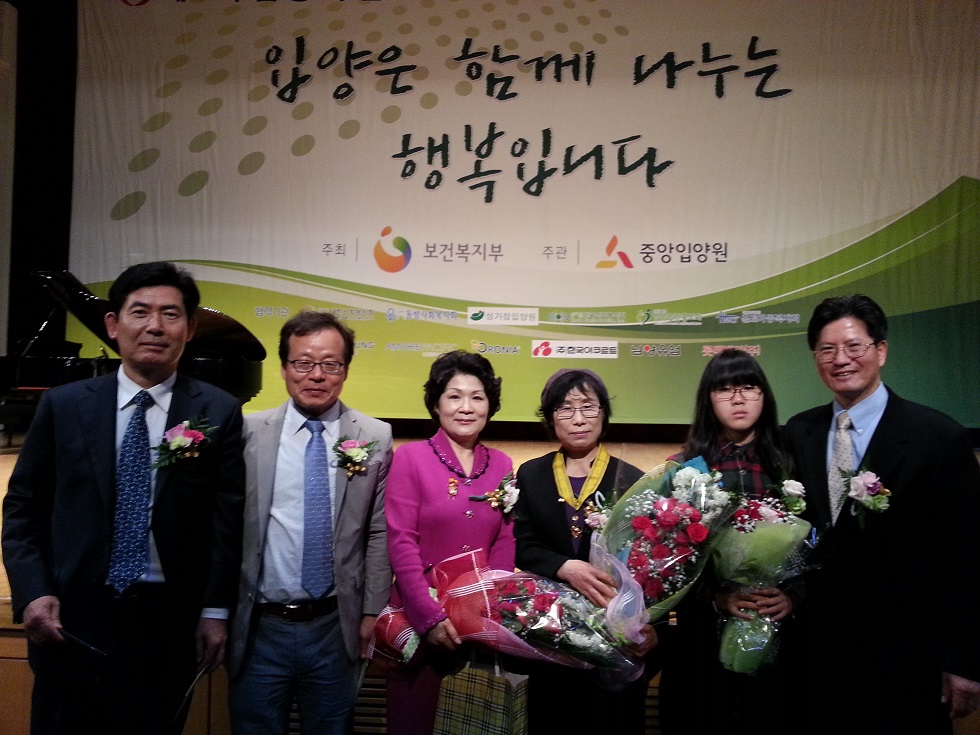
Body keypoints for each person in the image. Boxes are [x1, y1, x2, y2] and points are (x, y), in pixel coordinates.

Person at [1, 261, 246, 734]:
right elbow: (23, 508)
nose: (155, 326)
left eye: (171, 314)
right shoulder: (63, 405)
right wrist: (33, 591)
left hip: (168, 619)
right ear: (113, 324)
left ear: (190, 329)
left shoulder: (218, 411)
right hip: (72, 613)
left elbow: (226, 521)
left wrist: (215, 610)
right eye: (140, 312)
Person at [783, 294, 980, 734]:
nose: (841, 359)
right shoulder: (799, 432)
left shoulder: (938, 437)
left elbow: (966, 556)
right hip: (816, 653)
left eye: (854, 346)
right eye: (827, 349)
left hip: (906, 656)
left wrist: (964, 660)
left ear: (881, 350)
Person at [227, 310, 394, 735]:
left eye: (330, 364)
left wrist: (372, 612)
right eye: (303, 363)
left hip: (335, 626)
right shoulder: (248, 432)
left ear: (346, 370)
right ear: (284, 368)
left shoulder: (374, 435)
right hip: (260, 626)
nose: (316, 375)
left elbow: (377, 531)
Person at [657, 348, 799, 735]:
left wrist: (791, 595)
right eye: (724, 389)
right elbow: (667, 560)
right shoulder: (684, 469)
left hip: (777, 628)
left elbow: (818, 542)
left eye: (749, 387)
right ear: (708, 399)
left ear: (764, 394)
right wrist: (716, 596)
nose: (738, 398)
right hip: (701, 638)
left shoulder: (790, 462)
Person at [513, 368, 657, 734]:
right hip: (550, 637)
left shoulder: (632, 480)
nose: (578, 419)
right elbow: (523, 546)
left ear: (604, 414)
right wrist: (564, 567)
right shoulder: (530, 475)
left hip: (613, 637)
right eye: (565, 408)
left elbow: (651, 564)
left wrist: (645, 623)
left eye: (588, 407)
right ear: (550, 418)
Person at [382, 350, 515, 735]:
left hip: (480, 632)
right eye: (454, 396)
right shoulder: (410, 458)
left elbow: (505, 542)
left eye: (477, 397)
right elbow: (401, 543)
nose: (466, 407)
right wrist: (431, 618)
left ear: (490, 405)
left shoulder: (502, 464)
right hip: (420, 627)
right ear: (436, 404)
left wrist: (490, 613)